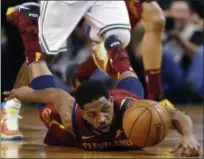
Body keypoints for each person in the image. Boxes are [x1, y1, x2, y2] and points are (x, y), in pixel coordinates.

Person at [2, 3, 200, 156]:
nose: (102, 119)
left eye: (105, 110)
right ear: (83, 112)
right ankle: (29, 30)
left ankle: (116, 51)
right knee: (43, 81)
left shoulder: (132, 109)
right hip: (65, 104)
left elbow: (176, 115)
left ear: (111, 101)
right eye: (93, 115)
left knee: (134, 90)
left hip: (117, 98)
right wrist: (16, 97)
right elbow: (53, 94)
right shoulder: (70, 115)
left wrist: (189, 136)